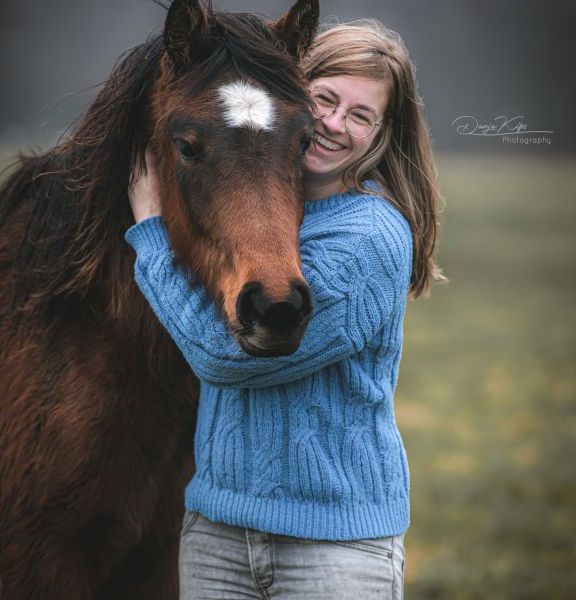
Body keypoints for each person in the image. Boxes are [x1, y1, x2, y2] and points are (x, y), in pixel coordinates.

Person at [125, 18, 446, 600]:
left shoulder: (370, 235)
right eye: (325, 99)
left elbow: (229, 357)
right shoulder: (248, 207)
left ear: (381, 134)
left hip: (331, 549)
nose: (334, 124)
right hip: (216, 534)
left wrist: (149, 233)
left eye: (361, 115)